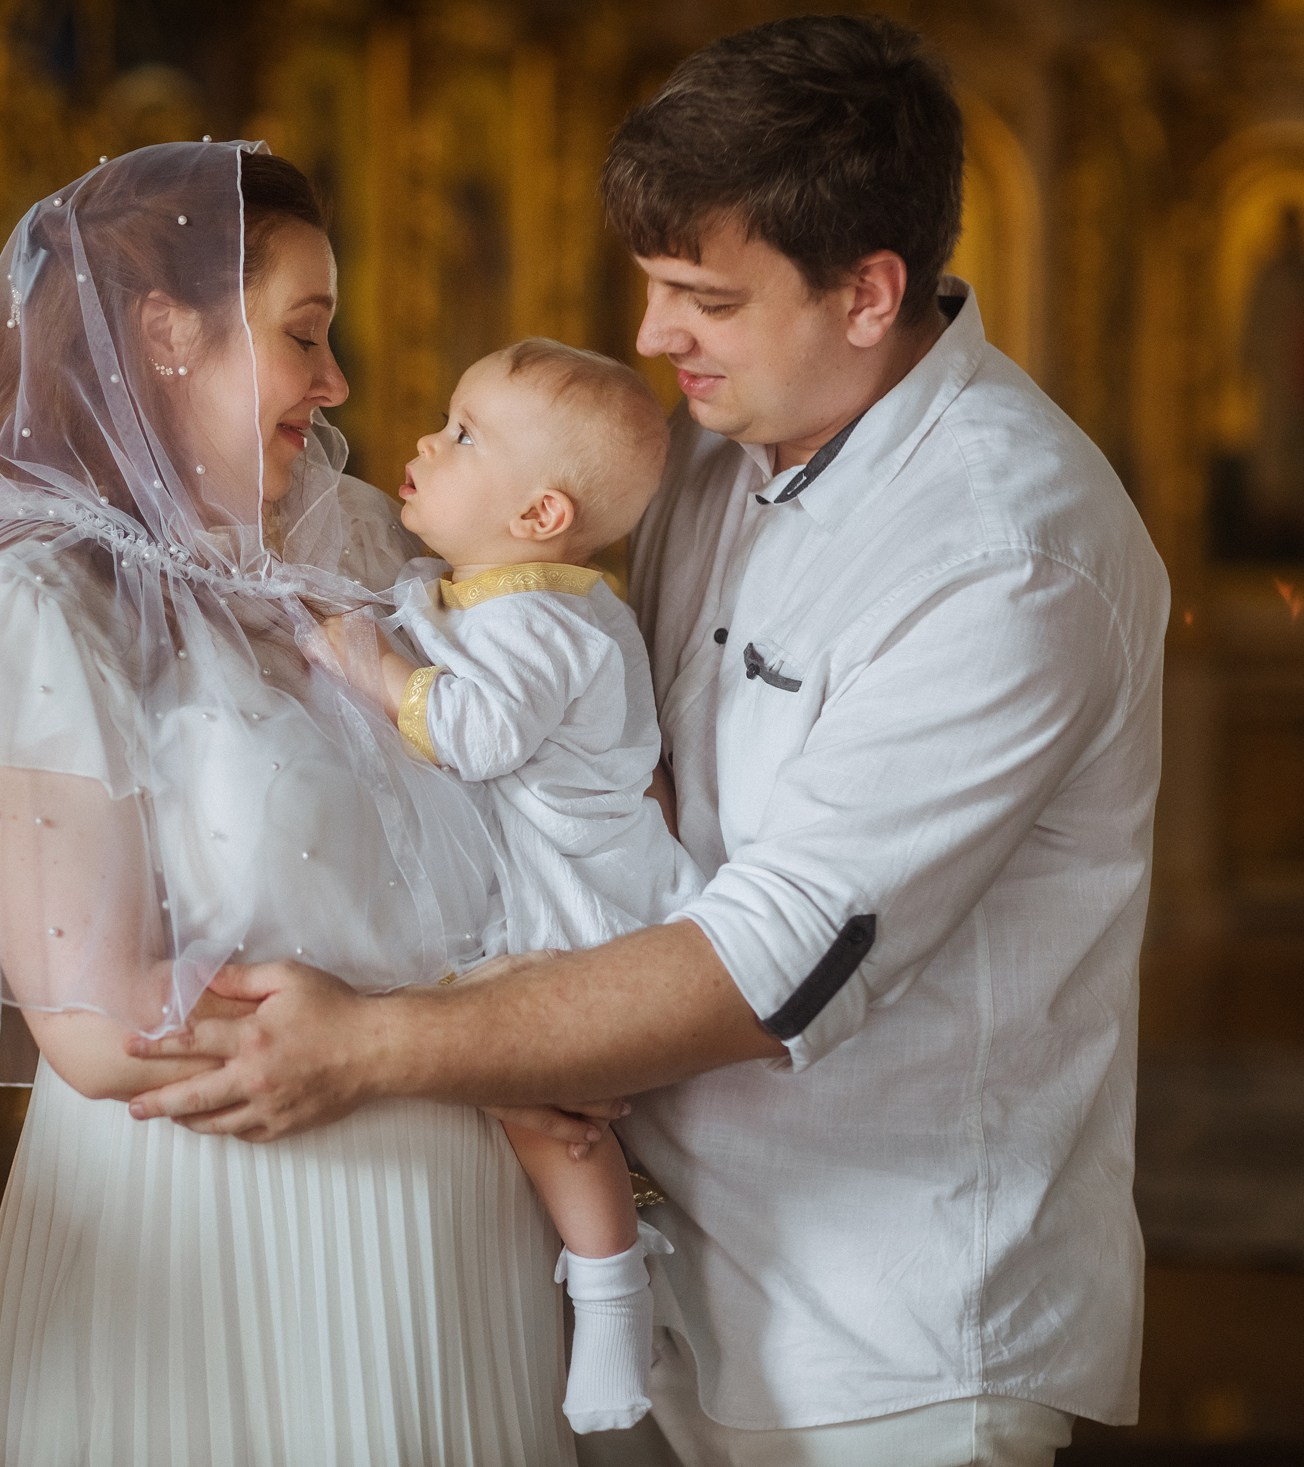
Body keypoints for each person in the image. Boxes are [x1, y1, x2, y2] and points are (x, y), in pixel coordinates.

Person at [127, 18, 1168, 1467]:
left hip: (888, 1335)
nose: (654, 334)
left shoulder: (1007, 549)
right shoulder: (727, 454)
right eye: (655, 285)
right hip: (663, 1282)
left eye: (703, 297)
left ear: (870, 289)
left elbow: (778, 955)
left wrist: (374, 1042)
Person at [0, 142, 578, 1465]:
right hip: (229, 1228)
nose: (336, 383)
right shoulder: (25, 610)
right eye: (305, 335)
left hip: (460, 1236)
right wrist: (454, 1032)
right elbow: (109, 1023)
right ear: (168, 334)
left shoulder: (341, 553)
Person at [319, 338, 698, 1434]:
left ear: (537, 515)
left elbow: (474, 734)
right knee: (531, 1105)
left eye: (466, 435)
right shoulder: (493, 593)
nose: (430, 441)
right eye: (447, 418)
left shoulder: (543, 620)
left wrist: (369, 666)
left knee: (550, 1116)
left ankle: (612, 1298)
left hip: (581, 909)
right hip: (544, 883)